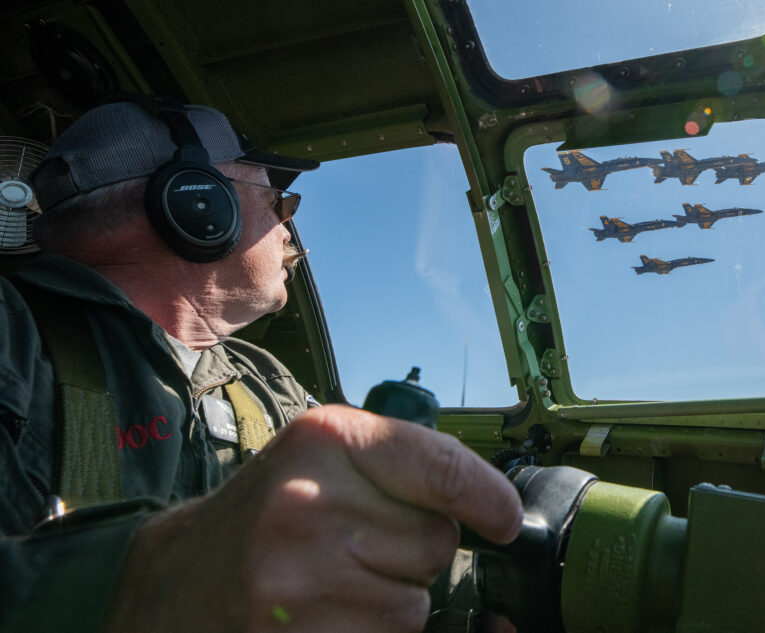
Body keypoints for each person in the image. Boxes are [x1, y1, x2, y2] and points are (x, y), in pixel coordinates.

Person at [0, 99, 522, 632]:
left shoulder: (262, 378)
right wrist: (136, 588)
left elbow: (355, 535)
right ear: (196, 205)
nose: (292, 236)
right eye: (281, 204)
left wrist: (493, 593)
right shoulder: (12, 339)